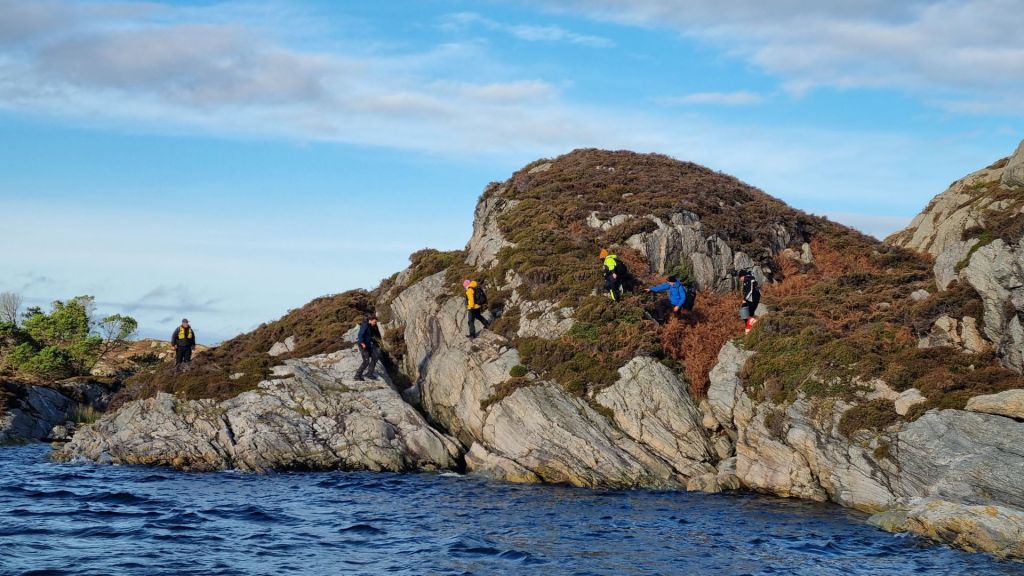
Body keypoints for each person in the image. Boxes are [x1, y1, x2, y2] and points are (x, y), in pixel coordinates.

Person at [354, 314, 382, 381]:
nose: (375, 323)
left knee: (375, 356)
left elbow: (370, 336)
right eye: (374, 322)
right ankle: (357, 376)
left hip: (368, 345)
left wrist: (375, 342)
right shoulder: (365, 326)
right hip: (363, 346)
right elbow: (360, 335)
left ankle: (369, 374)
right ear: (370, 320)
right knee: (366, 361)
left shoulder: (370, 326)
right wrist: (362, 343)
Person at [739, 270, 761, 334]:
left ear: (742, 276)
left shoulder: (748, 279)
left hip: (753, 299)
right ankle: (749, 328)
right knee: (747, 313)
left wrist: (745, 299)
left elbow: (750, 290)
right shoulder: (748, 279)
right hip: (752, 299)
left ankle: (753, 324)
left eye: (740, 278)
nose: (740, 280)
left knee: (745, 313)